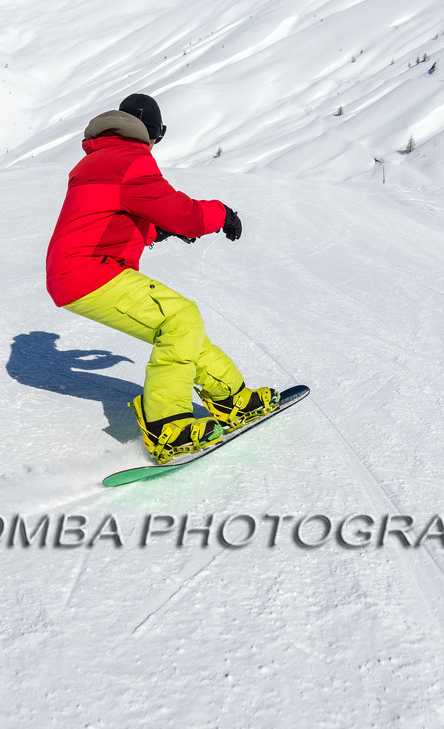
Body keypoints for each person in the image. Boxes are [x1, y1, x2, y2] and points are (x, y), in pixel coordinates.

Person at [44, 92, 277, 463]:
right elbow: (185, 214)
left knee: (183, 331)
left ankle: (232, 396)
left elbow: (107, 220)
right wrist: (223, 213)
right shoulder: (132, 160)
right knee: (180, 318)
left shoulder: (97, 161)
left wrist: (156, 231)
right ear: (153, 133)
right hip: (89, 270)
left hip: (77, 268)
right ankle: (167, 425)